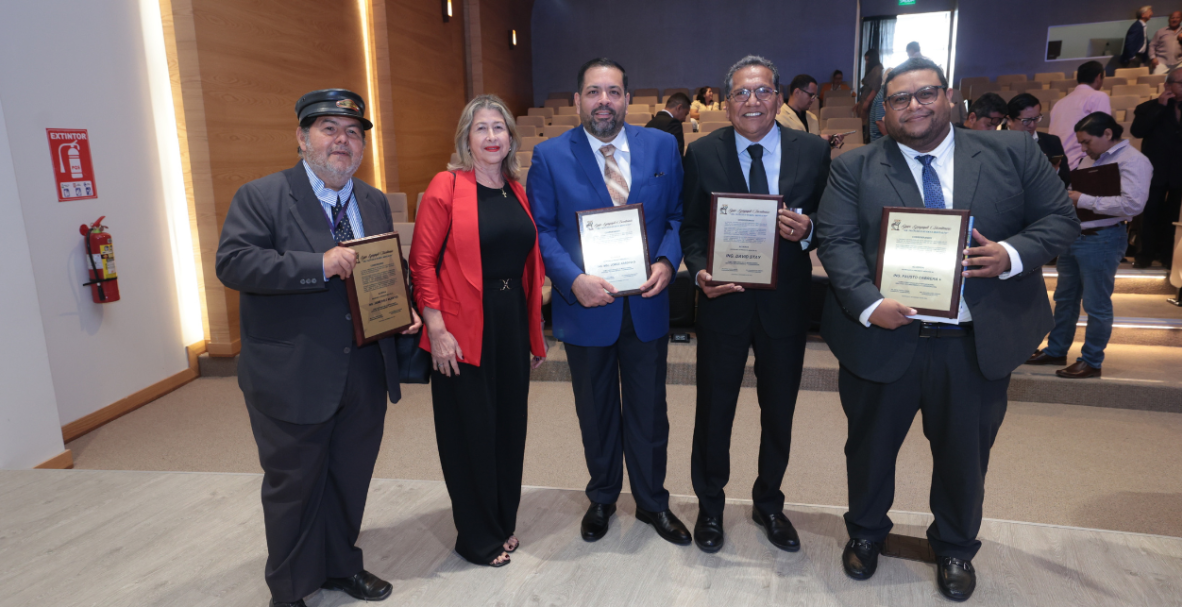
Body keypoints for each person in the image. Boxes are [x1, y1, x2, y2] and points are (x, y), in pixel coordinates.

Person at [816, 58, 1078, 602]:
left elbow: (1059, 220)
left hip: (974, 342)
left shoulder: (1014, 152)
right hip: (884, 335)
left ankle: (956, 546)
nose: (914, 106)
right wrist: (868, 304)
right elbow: (836, 241)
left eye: (925, 93)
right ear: (884, 111)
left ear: (950, 96)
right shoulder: (854, 166)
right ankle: (866, 533)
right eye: (899, 98)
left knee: (965, 457)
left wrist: (1010, 255)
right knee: (869, 450)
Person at [216, 89, 423, 607]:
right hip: (293, 370)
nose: (342, 140)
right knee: (294, 486)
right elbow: (234, 263)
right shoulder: (261, 196)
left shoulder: (372, 200)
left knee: (349, 476)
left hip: (364, 368)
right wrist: (317, 265)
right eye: (329, 129)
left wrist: (403, 307)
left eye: (353, 132)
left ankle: (339, 565)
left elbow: (386, 268)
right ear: (302, 137)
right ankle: (288, 590)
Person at [527, 58, 690, 547]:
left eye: (613, 92)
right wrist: (572, 279)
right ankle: (601, 497)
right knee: (595, 411)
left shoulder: (661, 146)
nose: (604, 101)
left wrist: (667, 261)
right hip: (585, 308)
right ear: (578, 99)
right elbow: (542, 230)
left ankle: (652, 502)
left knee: (649, 411)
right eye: (594, 92)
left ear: (627, 99)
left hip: (646, 304)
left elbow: (678, 216)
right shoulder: (550, 155)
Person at [680, 55, 831, 555]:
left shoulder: (813, 151)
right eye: (742, 93)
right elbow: (692, 227)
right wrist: (699, 269)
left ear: (779, 97)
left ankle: (769, 503)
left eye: (763, 91)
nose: (753, 101)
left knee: (779, 410)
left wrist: (808, 229)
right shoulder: (702, 153)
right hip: (722, 303)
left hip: (785, 304)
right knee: (713, 410)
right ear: (726, 103)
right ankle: (710, 505)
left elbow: (832, 220)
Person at [408, 95, 548, 567]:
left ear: (511, 137)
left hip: (510, 320)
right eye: (481, 128)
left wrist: (532, 333)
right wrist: (436, 328)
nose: (491, 136)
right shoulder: (446, 186)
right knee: (470, 433)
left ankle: (501, 522)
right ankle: (476, 537)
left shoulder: (516, 190)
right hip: (460, 326)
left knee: (509, 426)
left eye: (499, 127)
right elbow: (421, 263)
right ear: (466, 138)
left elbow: (528, 268)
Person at [1131, 66, 1182, 269]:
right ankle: (1144, 256)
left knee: (1174, 216)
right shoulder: (1147, 108)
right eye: (1181, 83)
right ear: (1167, 85)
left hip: (1179, 172)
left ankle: (1169, 258)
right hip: (1155, 170)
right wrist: (1160, 107)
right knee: (1149, 213)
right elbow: (1137, 131)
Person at [1049, 61, 1112, 170]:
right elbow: (1103, 135)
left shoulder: (1059, 103)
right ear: (1098, 77)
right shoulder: (1098, 96)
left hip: (1059, 166)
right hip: (1082, 164)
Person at [1007, 92, 1072, 186]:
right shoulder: (998, 144)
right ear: (1009, 120)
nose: (1032, 125)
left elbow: (1066, 180)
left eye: (1036, 119)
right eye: (1026, 121)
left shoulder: (1052, 142)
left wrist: (1054, 170)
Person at [777, 73, 846, 147]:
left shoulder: (813, 117)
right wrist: (818, 139)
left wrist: (829, 143)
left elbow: (816, 148)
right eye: (811, 95)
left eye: (815, 96)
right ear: (797, 92)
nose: (813, 100)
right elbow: (788, 146)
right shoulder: (779, 117)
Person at [857, 50, 884, 127]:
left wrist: (867, 101)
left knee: (867, 122)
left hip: (870, 99)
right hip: (865, 97)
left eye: (868, 60)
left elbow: (875, 88)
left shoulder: (877, 70)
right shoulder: (871, 68)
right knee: (862, 121)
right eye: (865, 60)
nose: (866, 62)